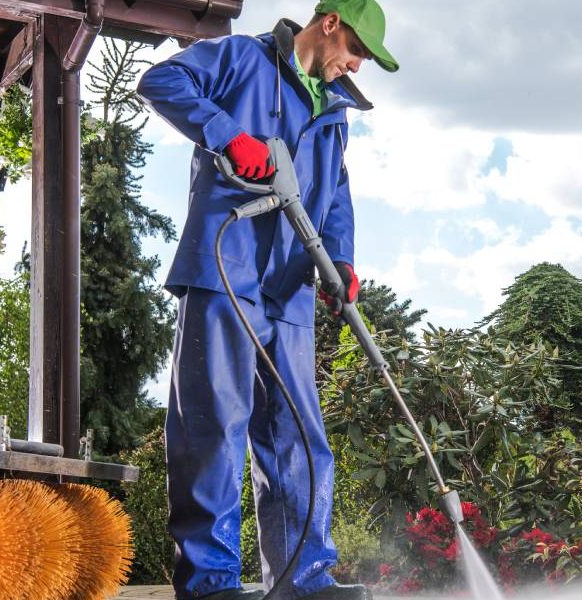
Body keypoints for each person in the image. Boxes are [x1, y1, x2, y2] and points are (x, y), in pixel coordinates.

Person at [136, 2, 398, 599]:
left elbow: (336, 196)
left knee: (300, 435)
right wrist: (228, 135)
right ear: (330, 22)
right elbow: (160, 80)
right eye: (356, 51)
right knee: (215, 425)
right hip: (225, 267)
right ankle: (210, 584)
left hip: (289, 288)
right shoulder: (242, 59)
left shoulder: (334, 112)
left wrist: (342, 260)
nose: (355, 66)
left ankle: (304, 581)